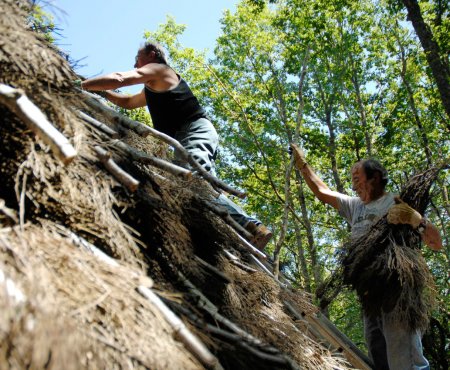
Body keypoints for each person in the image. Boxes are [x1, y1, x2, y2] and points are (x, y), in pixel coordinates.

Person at [80, 41, 272, 250]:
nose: (135, 65)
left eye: (138, 59)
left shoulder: (159, 70)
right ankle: (239, 238)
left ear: (152, 54)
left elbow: (119, 78)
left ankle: (251, 225)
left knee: (192, 182)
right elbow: (127, 102)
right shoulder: (152, 86)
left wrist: (82, 84)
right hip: (188, 136)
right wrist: (102, 93)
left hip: (194, 131)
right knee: (202, 189)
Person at [290, 143, 442, 370]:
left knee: (405, 359)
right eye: (352, 177)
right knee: (378, 355)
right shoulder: (355, 207)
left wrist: (415, 219)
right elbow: (322, 192)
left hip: (396, 289)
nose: (354, 182)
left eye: (357, 176)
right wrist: (303, 165)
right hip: (370, 294)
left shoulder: (396, 202)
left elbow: (436, 243)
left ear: (376, 177)